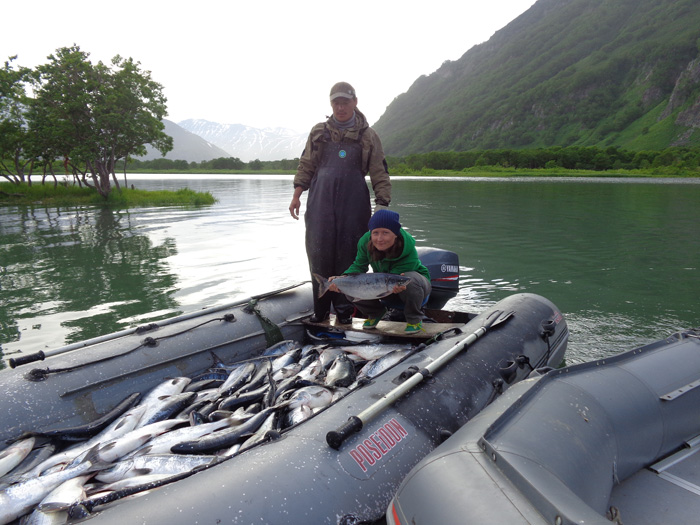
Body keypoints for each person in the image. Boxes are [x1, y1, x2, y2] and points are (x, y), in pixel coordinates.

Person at [289, 81, 391, 324]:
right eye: (336, 102)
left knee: (349, 257)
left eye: (345, 101)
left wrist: (382, 205)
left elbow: (379, 172)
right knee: (319, 254)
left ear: (355, 102)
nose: (341, 106)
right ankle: (321, 313)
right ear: (331, 104)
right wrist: (297, 193)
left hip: (354, 204)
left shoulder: (368, 135)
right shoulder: (318, 131)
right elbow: (306, 164)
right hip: (320, 202)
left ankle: (345, 315)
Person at [329, 209, 431, 334]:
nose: (379, 238)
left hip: (411, 286)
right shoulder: (365, 241)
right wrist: (342, 278)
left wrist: (393, 286)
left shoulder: (407, 246)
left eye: (385, 233)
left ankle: (414, 320)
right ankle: (375, 313)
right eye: (375, 233)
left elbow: (396, 277)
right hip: (384, 285)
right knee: (352, 287)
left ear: (395, 233)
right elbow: (359, 266)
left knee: (410, 281)